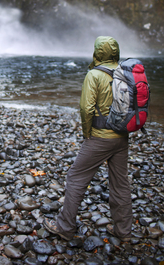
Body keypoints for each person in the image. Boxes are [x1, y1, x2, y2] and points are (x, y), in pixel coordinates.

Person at [43, 36, 132, 242]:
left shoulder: (94, 75)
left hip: (100, 137)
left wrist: (86, 133)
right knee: (120, 184)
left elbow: (86, 108)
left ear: (98, 52)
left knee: (75, 177)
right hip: (122, 137)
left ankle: (65, 227)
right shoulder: (125, 72)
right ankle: (124, 232)